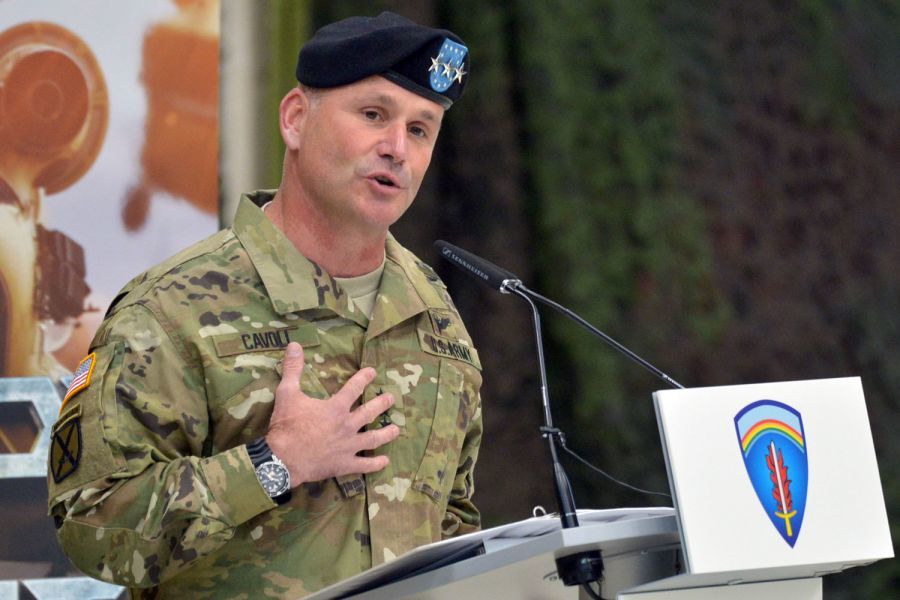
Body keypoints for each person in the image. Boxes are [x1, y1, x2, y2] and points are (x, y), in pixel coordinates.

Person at [47, 12, 482, 599]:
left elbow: (452, 521)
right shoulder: (170, 311)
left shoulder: (434, 317)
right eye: (373, 115)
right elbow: (91, 526)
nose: (397, 149)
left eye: (421, 129)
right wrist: (273, 464)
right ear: (296, 119)